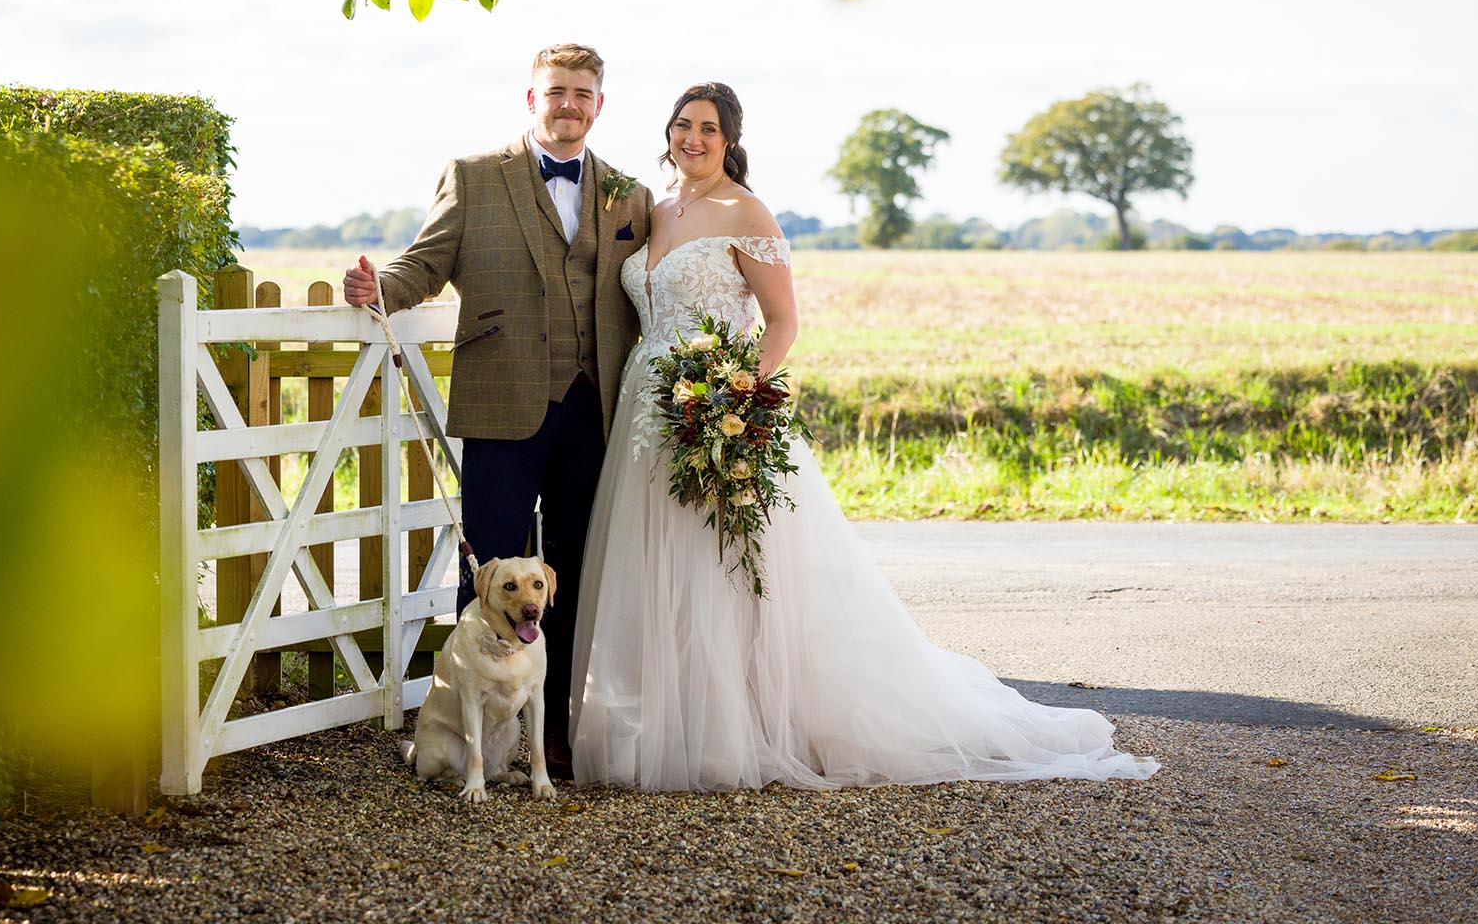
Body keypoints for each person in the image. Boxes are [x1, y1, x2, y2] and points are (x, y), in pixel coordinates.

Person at [569, 82, 1160, 790]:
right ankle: (667, 720)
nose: (692, 138)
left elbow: (782, 321)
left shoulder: (745, 210)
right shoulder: (651, 207)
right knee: (655, 560)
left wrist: (738, 391)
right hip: (647, 407)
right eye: (683, 125)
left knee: (724, 568)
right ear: (668, 132)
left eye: (708, 128)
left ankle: (742, 728)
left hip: (715, 408)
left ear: (730, 141)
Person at [343, 43, 653, 780]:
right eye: (556, 91)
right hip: (502, 400)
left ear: (599, 104)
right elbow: (426, 261)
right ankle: (465, 733)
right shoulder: (476, 177)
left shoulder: (628, 193)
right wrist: (377, 287)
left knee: (571, 570)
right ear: (531, 98)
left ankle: (556, 733)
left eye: (582, 92)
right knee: (486, 572)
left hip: (593, 409)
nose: (568, 103)